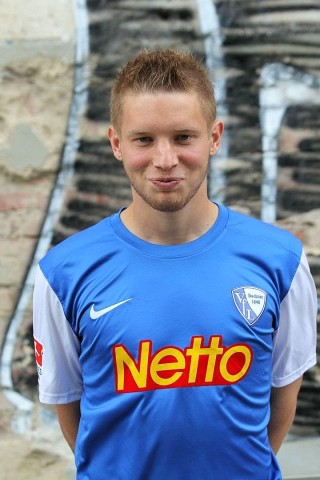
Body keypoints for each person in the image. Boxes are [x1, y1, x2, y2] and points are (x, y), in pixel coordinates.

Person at [33, 49, 317, 479]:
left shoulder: (281, 261)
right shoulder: (62, 273)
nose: (165, 159)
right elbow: (73, 413)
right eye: (143, 139)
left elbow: (280, 403)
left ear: (215, 137)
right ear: (116, 144)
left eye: (184, 137)